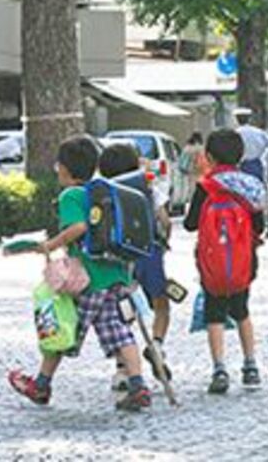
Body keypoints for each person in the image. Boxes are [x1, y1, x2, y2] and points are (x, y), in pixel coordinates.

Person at [8, 135, 153, 412]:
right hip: (114, 276)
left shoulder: (71, 196)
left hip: (88, 280)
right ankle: (138, 386)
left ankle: (41, 385)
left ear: (64, 168)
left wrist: (49, 245)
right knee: (119, 332)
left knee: (62, 327)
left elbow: (79, 228)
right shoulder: (102, 192)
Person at [185, 128, 266, 395]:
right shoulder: (250, 186)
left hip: (212, 263)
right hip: (243, 260)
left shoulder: (206, 187)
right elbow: (260, 226)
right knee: (242, 310)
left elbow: (189, 224)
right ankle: (250, 365)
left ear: (208, 156)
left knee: (215, 313)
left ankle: (219, 368)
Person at [98, 141, 173, 387]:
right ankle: (158, 346)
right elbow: (165, 220)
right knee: (161, 304)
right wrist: (162, 244)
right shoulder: (148, 187)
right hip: (149, 253)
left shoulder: (104, 192)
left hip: (118, 260)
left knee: (122, 314)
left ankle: (122, 370)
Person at [234, 107, 268, 183]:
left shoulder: (234, 134)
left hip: (240, 166)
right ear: (249, 119)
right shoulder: (258, 132)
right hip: (256, 164)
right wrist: (265, 157)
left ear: (237, 119)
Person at [174, 131, 204, 211]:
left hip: (184, 171)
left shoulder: (186, 147)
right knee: (193, 191)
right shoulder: (198, 148)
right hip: (194, 172)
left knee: (187, 192)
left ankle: (186, 207)